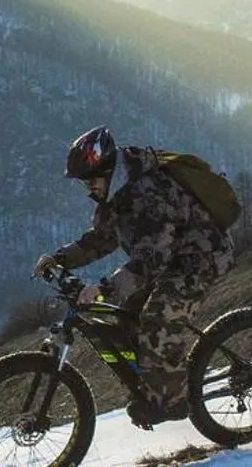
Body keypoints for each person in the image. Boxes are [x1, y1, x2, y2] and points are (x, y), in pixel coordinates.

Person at [34, 126, 235, 426]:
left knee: (157, 320)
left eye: (92, 181)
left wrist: (103, 289)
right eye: (84, 184)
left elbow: (153, 258)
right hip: (169, 258)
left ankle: (171, 400)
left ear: (109, 170)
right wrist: (59, 259)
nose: (89, 189)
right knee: (126, 318)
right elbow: (102, 239)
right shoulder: (116, 196)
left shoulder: (147, 192)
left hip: (200, 257)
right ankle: (152, 385)